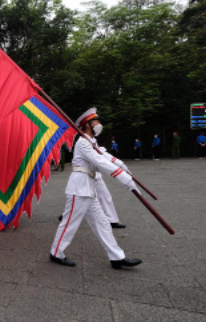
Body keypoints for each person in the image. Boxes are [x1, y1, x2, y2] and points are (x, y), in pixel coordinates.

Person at [50, 108, 141, 270]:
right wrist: (125, 179)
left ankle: (117, 257)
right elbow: (101, 162)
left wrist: (121, 165)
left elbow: (105, 156)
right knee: (69, 223)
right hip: (79, 189)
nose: (99, 125)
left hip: (89, 189)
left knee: (103, 223)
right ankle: (56, 253)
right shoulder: (83, 143)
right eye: (96, 122)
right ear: (87, 125)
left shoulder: (92, 143)